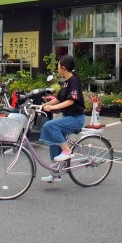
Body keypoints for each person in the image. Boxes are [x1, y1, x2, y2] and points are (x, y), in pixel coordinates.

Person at [39, 55, 86, 183]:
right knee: (54, 140)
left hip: (76, 118)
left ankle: (67, 151)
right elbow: (59, 99)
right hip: (68, 117)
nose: (57, 67)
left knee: (50, 125)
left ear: (63, 67)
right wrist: (42, 106)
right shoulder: (66, 82)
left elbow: (71, 101)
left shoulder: (74, 81)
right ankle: (55, 173)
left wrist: (51, 107)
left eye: (58, 65)